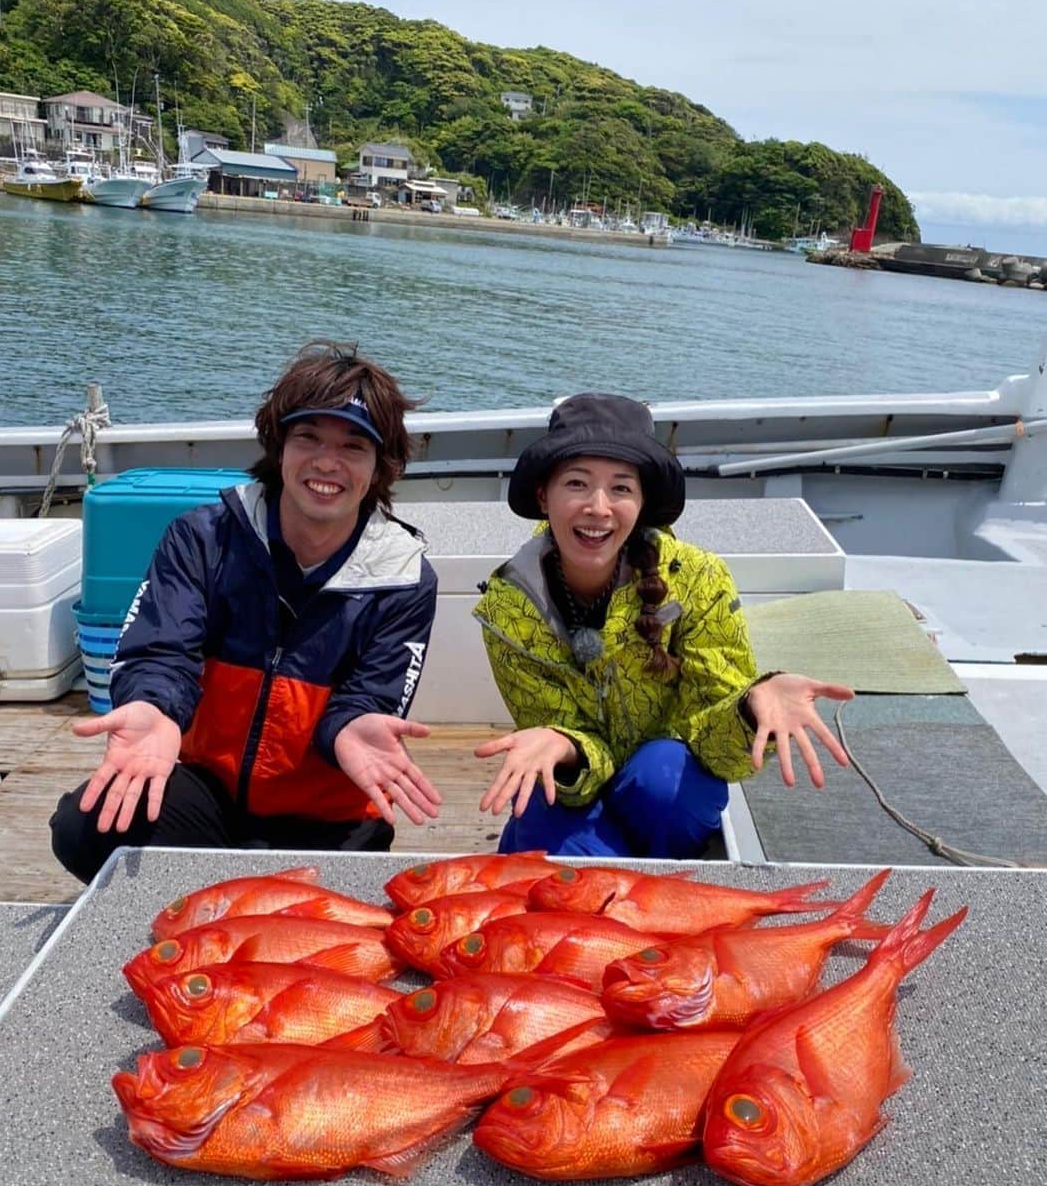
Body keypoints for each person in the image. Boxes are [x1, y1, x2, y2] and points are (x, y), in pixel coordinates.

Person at [51, 342, 441, 883]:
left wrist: (353, 725)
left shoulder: (404, 577)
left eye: (354, 446)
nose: (328, 462)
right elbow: (162, 651)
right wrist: (156, 709)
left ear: (380, 466)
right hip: (210, 790)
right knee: (85, 827)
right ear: (278, 443)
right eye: (308, 438)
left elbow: (371, 696)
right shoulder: (203, 537)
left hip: (324, 810)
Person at [472, 392, 853, 858]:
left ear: (643, 501)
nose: (598, 507)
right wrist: (562, 744)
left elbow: (717, 753)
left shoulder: (698, 578)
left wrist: (753, 704)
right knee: (541, 805)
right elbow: (554, 738)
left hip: (661, 793)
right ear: (542, 495)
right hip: (578, 788)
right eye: (576, 484)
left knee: (665, 772)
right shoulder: (507, 607)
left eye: (621, 488)